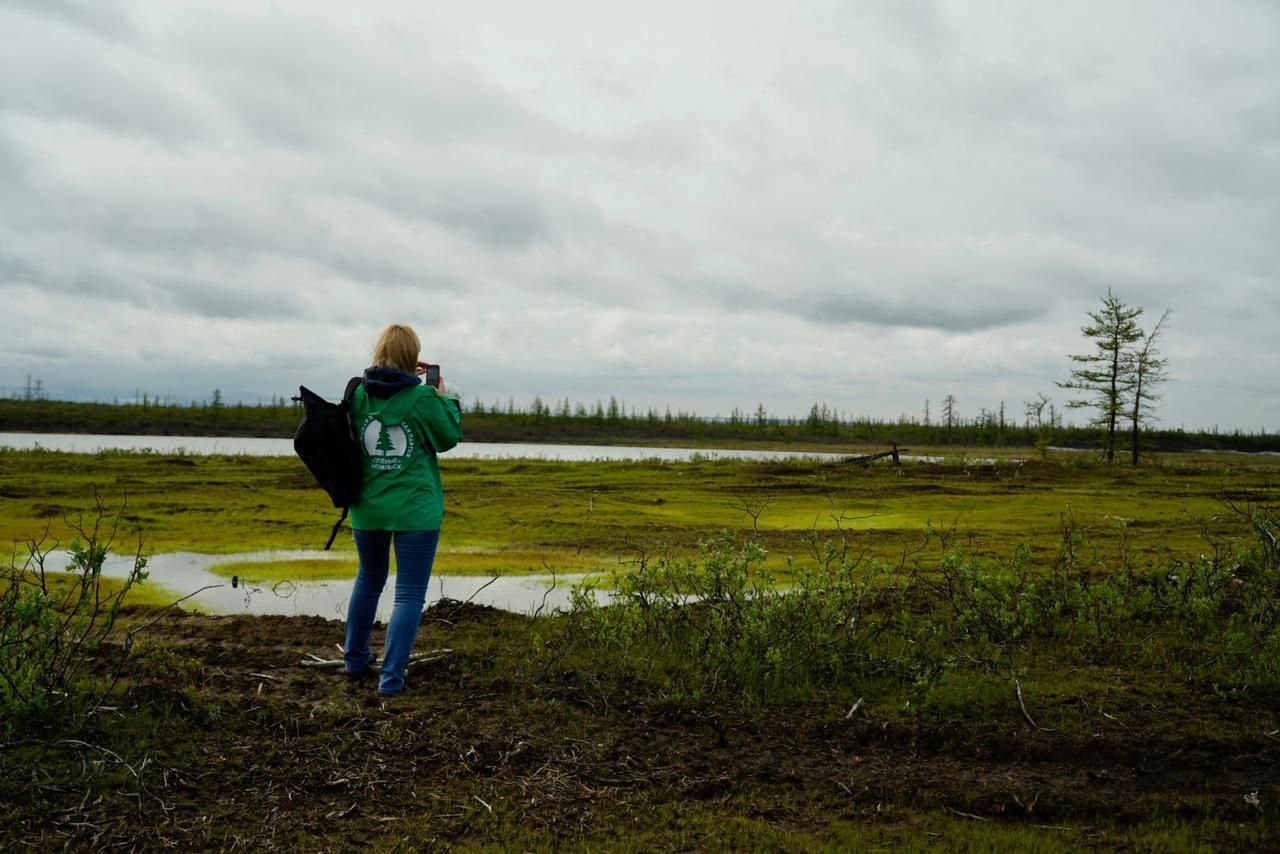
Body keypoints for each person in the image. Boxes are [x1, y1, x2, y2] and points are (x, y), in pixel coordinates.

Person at [343, 323, 463, 697]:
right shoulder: (424, 398)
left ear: (378, 353)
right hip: (415, 511)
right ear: (414, 358)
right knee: (409, 594)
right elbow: (448, 438)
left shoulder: (358, 394)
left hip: (368, 508)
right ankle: (391, 681)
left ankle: (354, 660)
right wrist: (444, 396)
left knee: (369, 579)